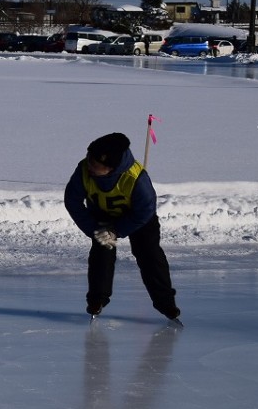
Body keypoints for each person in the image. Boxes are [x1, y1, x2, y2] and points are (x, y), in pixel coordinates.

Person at [64, 132, 180, 321]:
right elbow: (72, 201)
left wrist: (118, 230)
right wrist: (93, 229)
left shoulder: (136, 178)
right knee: (101, 254)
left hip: (138, 219)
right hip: (102, 217)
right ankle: (97, 300)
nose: (89, 166)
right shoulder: (83, 169)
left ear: (111, 168)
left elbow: (146, 209)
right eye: (89, 159)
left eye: (95, 165)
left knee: (149, 254)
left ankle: (166, 303)